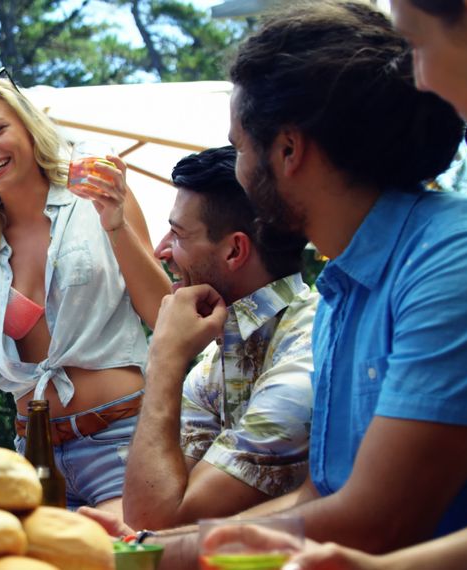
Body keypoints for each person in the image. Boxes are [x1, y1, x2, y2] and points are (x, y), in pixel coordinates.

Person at [83, 1, 467, 567]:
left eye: (239, 147)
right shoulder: (342, 288)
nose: (239, 168)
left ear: (288, 151)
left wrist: (144, 557)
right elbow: (323, 495)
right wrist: (144, 546)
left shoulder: (447, 258)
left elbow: (378, 518)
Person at [0, 70, 171, 511]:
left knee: (118, 556)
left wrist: (116, 222)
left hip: (122, 440)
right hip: (32, 457)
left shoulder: (97, 199)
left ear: (29, 128)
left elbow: (163, 314)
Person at [111, 146, 316, 531]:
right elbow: (152, 505)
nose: (161, 250)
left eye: (179, 234)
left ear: (235, 250)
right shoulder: (213, 364)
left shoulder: (307, 353)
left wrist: (165, 359)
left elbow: (156, 522)